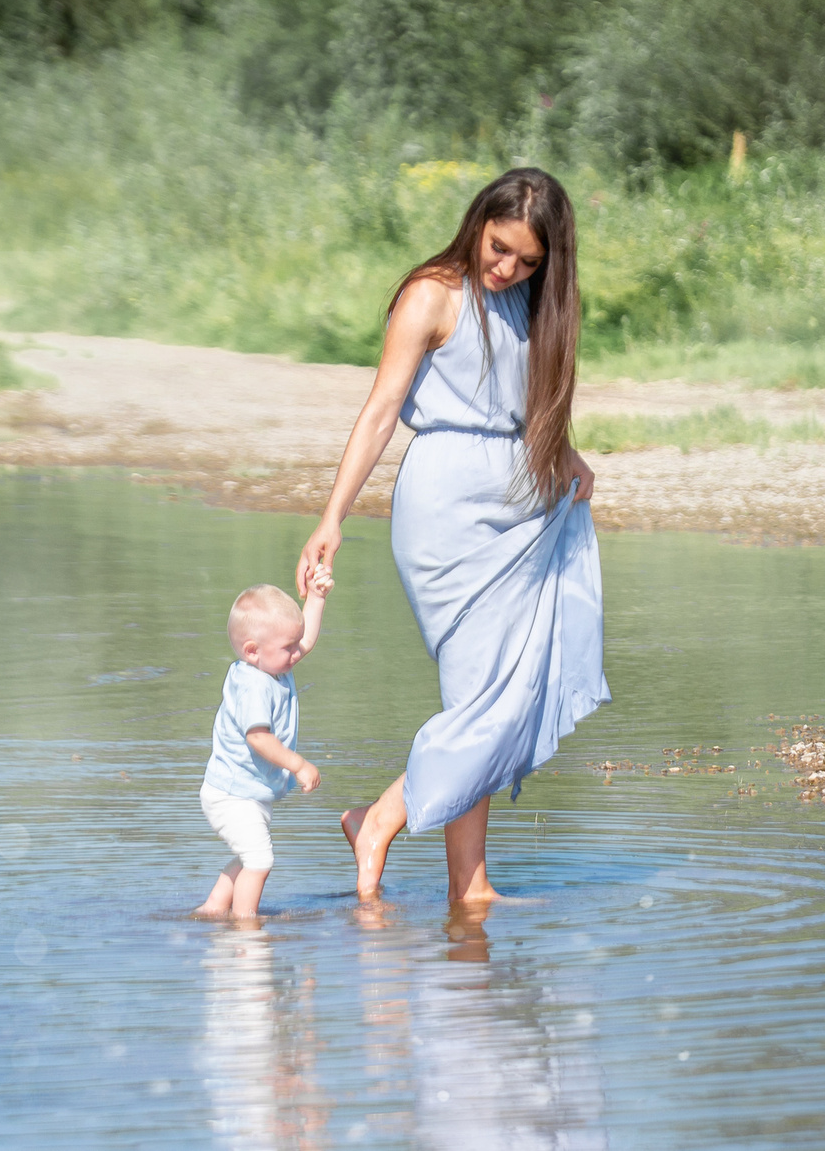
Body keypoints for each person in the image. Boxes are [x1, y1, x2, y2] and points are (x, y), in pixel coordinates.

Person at [300, 166, 606, 904]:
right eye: (499, 248)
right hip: (444, 510)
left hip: (519, 501)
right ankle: (397, 835)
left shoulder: (534, 304)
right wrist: (331, 517)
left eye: (529, 261)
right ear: (478, 223)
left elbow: (527, 401)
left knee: (502, 687)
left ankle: (453, 874)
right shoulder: (431, 294)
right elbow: (380, 412)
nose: (508, 268)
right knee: (483, 696)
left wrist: (562, 453)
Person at [194, 572, 331, 917]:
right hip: (231, 795)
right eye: (289, 647)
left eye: (295, 644)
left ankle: (213, 908)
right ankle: (245, 924)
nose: (297, 653)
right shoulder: (254, 684)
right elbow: (258, 738)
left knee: (249, 857)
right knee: (260, 859)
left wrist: (316, 597)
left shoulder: (273, 665)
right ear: (253, 651)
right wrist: (298, 764)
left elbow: (307, 640)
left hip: (247, 791)